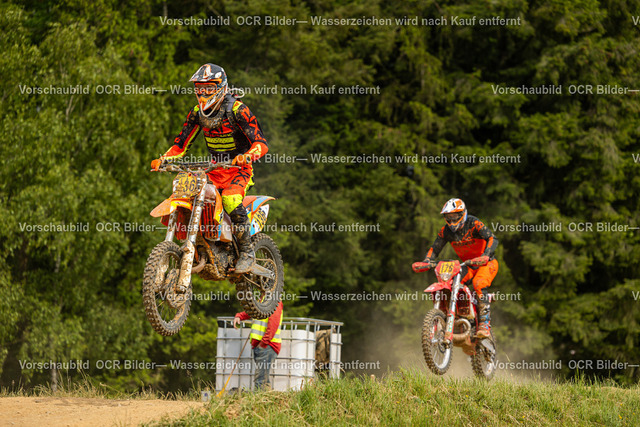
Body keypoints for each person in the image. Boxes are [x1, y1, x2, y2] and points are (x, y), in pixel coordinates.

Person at [151, 63, 269, 273]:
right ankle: (205, 241)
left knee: (230, 199)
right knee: (190, 193)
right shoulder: (197, 113)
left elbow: (260, 143)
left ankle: (247, 252)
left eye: (209, 88)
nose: (203, 93)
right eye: (200, 88)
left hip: (239, 170)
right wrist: (164, 159)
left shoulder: (238, 110)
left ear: (221, 86)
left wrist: (247, 156)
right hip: (214, 169)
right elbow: (181, 144)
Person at [412, 198, 499, 338]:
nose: (452, 222)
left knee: (479, 283)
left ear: (462, 214)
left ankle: (484, 324)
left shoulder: (473, 223)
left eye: (454, 217)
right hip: (468, 264)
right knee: (451, 284)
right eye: (448, 218)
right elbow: (435, 248)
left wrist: (486, 255)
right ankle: (456, 318)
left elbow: (492, 238)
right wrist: (427, 261)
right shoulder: (446, 231)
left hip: (486, 263)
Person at [233, 301, 283, 390]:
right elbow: (253, 312)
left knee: (261, 380)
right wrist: (240, 316)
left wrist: (263, 343)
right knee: (263, 379)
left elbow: (273, 324)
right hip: (262, 346)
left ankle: (262, 397)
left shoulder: (274, 300)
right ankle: (265, 396)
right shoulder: (264, 299)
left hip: (267, 346)